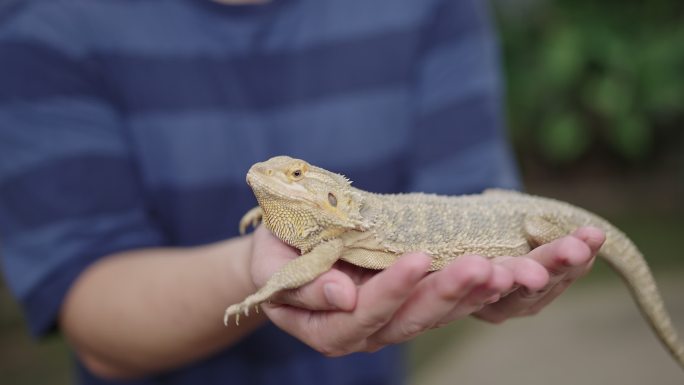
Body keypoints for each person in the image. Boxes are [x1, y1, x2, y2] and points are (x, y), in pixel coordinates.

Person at [0, 1, 603, 384]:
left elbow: (466, 194)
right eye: (276, 179)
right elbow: (85, 302)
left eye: (292, 177)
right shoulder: (45, 23)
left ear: (326, 195)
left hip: (506, 224)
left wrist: (495, 286)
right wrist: (248, 271)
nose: (274, 178)